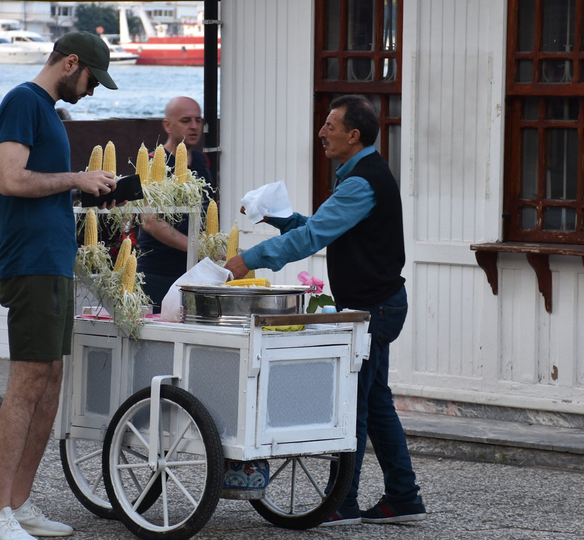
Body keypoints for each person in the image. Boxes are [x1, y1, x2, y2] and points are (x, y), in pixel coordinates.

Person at [224, 95, 426, 527]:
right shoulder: (362, 175)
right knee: (374, 401)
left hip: (374, 308)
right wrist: (276, 218)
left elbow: (313, 237)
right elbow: (317, 228)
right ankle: (403, 497)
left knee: (352, 404)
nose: (322, 132)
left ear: (354, 136)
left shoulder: (362, 181)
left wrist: (249, 259)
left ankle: (342, 502)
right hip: (378, 305)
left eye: (330, 126)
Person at [0, 31, 119, 540]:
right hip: (30, 263)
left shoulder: (47, 111)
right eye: (91, 79)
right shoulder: (22, 101)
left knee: (50, 382)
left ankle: (19, 504)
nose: (93, 91)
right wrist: (76, 179)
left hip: (52, 261)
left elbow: (38, 185)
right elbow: (11, 179)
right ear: (70, 62)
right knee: (28, 382)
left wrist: (89, 189)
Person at [137, 96, 214, 311]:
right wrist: (196, 249)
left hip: (195, 274)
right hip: (158, 273)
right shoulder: (155, 162)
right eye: (186, 120)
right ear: (167, 125)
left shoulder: (201, 162)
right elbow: (150, 222)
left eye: (198, 120)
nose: (194, 126)